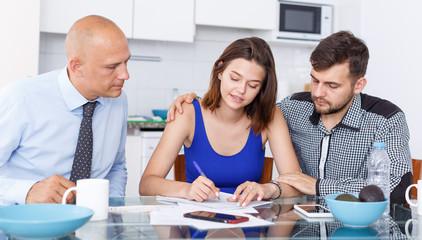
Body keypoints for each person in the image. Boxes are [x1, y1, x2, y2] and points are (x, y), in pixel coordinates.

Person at [168, 31, 412, 204]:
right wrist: (198, 101)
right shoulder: (293, 109)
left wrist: (317, 186)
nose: (318, 92)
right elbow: (242, 104)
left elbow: (398, 189)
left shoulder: (386, 120)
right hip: (300, 228)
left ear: (358, 85)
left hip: (363, 228)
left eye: (332, 86)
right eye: (315, 80)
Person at [139, 37, 301, 207]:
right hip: (197, 224)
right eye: (235, 78)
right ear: (220, 70)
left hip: (248, 225)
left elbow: (296, 184)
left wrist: (268, 189)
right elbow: (146, 185)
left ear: (262, 88)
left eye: (253, 85)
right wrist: (186, 190)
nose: (241, 90)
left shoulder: (270, 116)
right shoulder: (187, 113)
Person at [0, 15, 130, 206]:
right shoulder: (21, 99)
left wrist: (110, 208)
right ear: (77, 67)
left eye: (126, 62)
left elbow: (116, 167)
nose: (125, 74)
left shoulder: (118, 100)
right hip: (23, 226)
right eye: (112, 66)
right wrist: (26, 192)